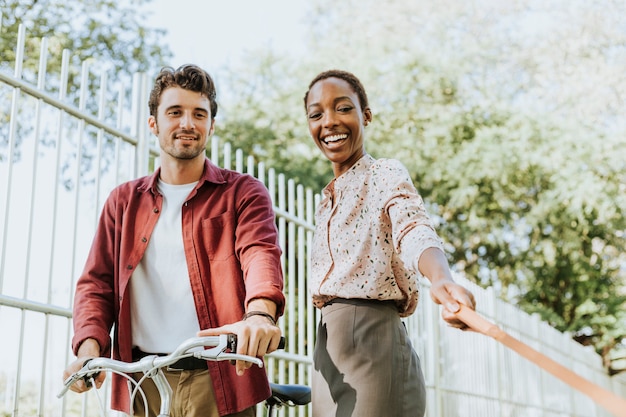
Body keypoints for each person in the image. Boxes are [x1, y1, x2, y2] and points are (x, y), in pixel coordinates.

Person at [62, 64, 285, 417]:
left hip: (222, 378)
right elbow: (96, 284)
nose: (187, 124)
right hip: (143, 382)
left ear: (211, 125)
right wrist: (89, 350)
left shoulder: (243, 192)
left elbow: (260, 253)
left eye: (199, 114)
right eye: (175, 112)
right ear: (154, 123)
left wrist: (260, 314)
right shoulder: (123, 202)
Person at [303, 69, 477, 417]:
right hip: (326, 348)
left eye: (343, 108)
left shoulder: (384, 173)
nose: (330, 122)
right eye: (316, 114)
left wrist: (440, 276)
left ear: (366, 115)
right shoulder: (327, 200)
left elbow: (413, 227)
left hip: (373, 345)